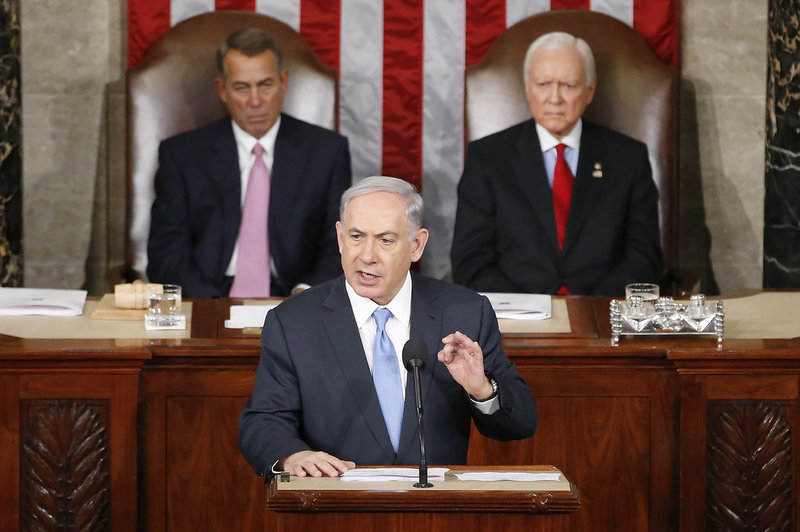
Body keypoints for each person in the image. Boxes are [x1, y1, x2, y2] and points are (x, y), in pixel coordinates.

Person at [239, 176, 537, 478]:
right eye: (356, 237)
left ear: (416, 245)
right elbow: (264, 419)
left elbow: (521, 423)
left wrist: (481, 389)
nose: (366, 256)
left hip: (435, 513)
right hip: (335, 507)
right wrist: (292, 455)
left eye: (385, 240)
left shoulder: (465, 312)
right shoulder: (294, 321)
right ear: (340, 238)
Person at [451, 31, 662, 297]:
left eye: (569, 85)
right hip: (515, 319)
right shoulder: (488, 157)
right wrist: (524, 309)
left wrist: (591, 307)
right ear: (527, 88)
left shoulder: (628, 157)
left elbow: (644, 256)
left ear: (590, 90)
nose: (555, 98)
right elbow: (470, 260)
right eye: (543, 84)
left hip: (602, 316)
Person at [147, 28, 352, 298]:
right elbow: (166, 254)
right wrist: (212, 308)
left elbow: (339, 245)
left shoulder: (327, 152)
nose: (255, 101)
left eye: (265, 85)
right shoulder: (182, 155)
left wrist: (306, 293)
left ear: (283, 82)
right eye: (242, 87)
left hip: (294, 295)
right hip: (207, 296)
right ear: (222, 89)